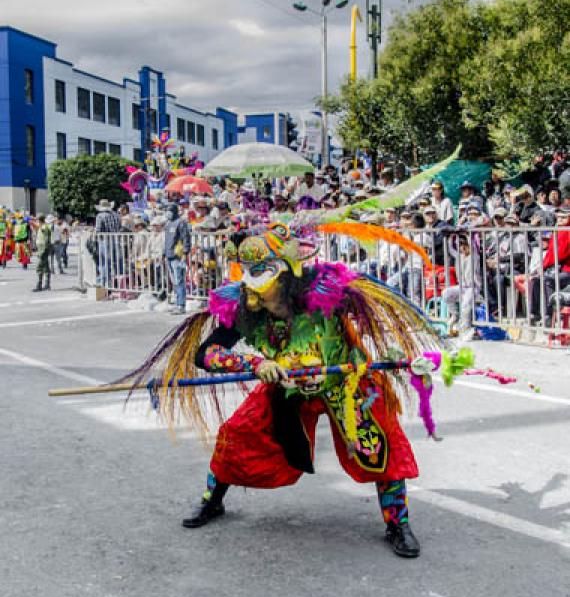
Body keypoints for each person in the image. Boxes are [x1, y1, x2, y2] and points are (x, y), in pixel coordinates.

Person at [126, 222, 447, 558]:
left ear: (284, 269)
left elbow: (377, 315)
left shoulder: (324, 290)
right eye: (247, 270)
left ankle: (398, 522)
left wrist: (403, 358)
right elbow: (205, 354)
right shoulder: (243, 308)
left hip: (344, 381)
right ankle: (212, 500)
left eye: (261, 269)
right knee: (238, 434)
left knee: (379, 445)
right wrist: (253, 365)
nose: (253, 280)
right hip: (287, 387)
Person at [442, 233, 481, 340]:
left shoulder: (475, 256)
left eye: (465, 245)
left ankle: (465, 329)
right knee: (446, 293)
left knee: (465, 304)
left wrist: (467, 235)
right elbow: (450, 249)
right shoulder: (459, 256)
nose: (462, 247)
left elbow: (473, 245)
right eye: (460, 245)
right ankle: (455, 315)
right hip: (461, 287)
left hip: (472, 287)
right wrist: (451, 236)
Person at [164, 202, 191, 314]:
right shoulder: (168, 223)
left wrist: (185, 253)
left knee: (179, 281)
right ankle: (176, 303)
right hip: (169, 255)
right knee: (174, 282)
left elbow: (186, 238)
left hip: (177, 256)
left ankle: (181, 305)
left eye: (169, 210)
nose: (167, 213)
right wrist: (163, 253)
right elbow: (166, 240)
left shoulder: (181, 223)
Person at [33, 214, 52, 292]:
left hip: (43, 249)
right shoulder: (42, 227)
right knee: (46, 267)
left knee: (39, 268)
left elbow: (46, 239)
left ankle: (39, 285)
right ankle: (47, 285)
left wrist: (44, 249)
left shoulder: (44, 227)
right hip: (42, 248)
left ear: (39, 220)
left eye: (37, 220)